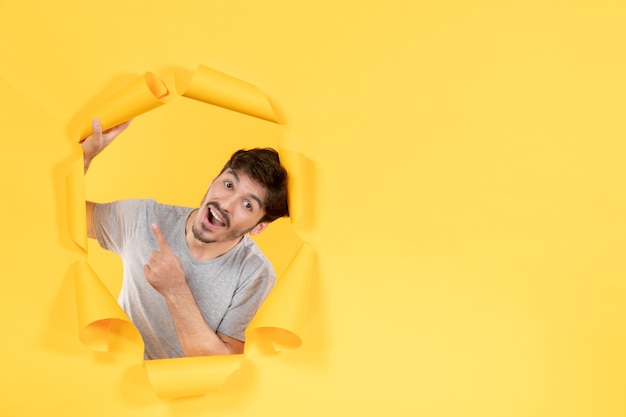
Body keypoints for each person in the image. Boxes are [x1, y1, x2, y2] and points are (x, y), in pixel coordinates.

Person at [81, 119, 289, 360]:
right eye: (229, 184)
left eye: (247, 204)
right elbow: (62, 214)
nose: (225, 204)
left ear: (259, 226)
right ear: (213, 181)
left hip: (188, 394)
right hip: (118, 381)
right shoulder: (144, 218)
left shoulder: (254, 274)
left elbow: (220, 367)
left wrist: (175, 289)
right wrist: (83, 160)